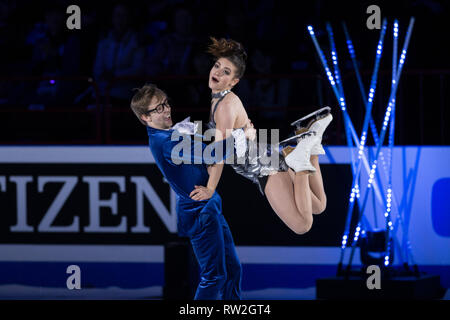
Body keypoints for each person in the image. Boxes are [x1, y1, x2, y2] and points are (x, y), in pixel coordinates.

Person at [190, 37, 333, 235]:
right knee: (319, 206)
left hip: (265, 168)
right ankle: (310, 148)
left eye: (226, 72)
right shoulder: (220, 101)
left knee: (302, 226)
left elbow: (219, 153)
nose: (217, 72)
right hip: (269, 157)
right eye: (217, 65)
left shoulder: (224, 106)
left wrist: (211, 189)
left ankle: (300, 162)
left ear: (234, 82)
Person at [130, 84, 241, 300]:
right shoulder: (166, 143)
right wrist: (236, 130)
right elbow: (215, 154)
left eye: (166, 103)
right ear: (145, 117)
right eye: (159, 108)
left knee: (232, 270)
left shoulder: (169, 134)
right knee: (214, 275)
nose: (167, 110)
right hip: (198, 210)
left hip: (209, 204)